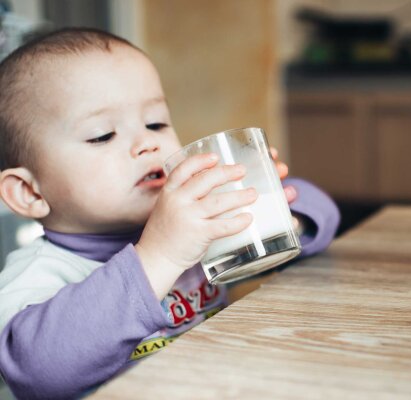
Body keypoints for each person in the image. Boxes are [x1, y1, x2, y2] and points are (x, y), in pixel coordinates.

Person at [0, 28, 340, 399]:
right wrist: (160, 255)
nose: (148, 143)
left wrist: (281, 215)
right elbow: (38, 371)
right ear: (30, 192)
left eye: (156, 123)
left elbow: (325, 211)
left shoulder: (194, 227)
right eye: (102, 135)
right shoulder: (36, 278)